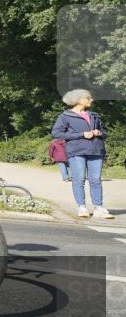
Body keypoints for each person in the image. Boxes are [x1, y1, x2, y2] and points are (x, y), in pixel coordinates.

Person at [51, 89, 112, 219]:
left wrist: (100, 133)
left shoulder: (95, 115)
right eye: (88, 98)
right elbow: (56, 133)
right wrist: (81, 134)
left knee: (95, 180)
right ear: (79, 100)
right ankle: (82, 207)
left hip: (96, 150)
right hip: (76, 151)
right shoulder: (65, 116)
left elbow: (104, 132)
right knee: (79, 180)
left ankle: (98, 208)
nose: (92, 100)